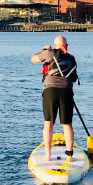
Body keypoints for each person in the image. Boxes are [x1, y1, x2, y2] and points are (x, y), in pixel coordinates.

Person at [30, 36, 78, 168]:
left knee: (48, 124)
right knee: (67, 125)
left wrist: (43, 49)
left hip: (50, 92)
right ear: (66, 45)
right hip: (67, 92)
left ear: (54, 45)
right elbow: (73, 78)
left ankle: (47, 156)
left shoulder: (49, 53)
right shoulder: (72, 58)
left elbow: (33, 59)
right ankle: (70, 155)